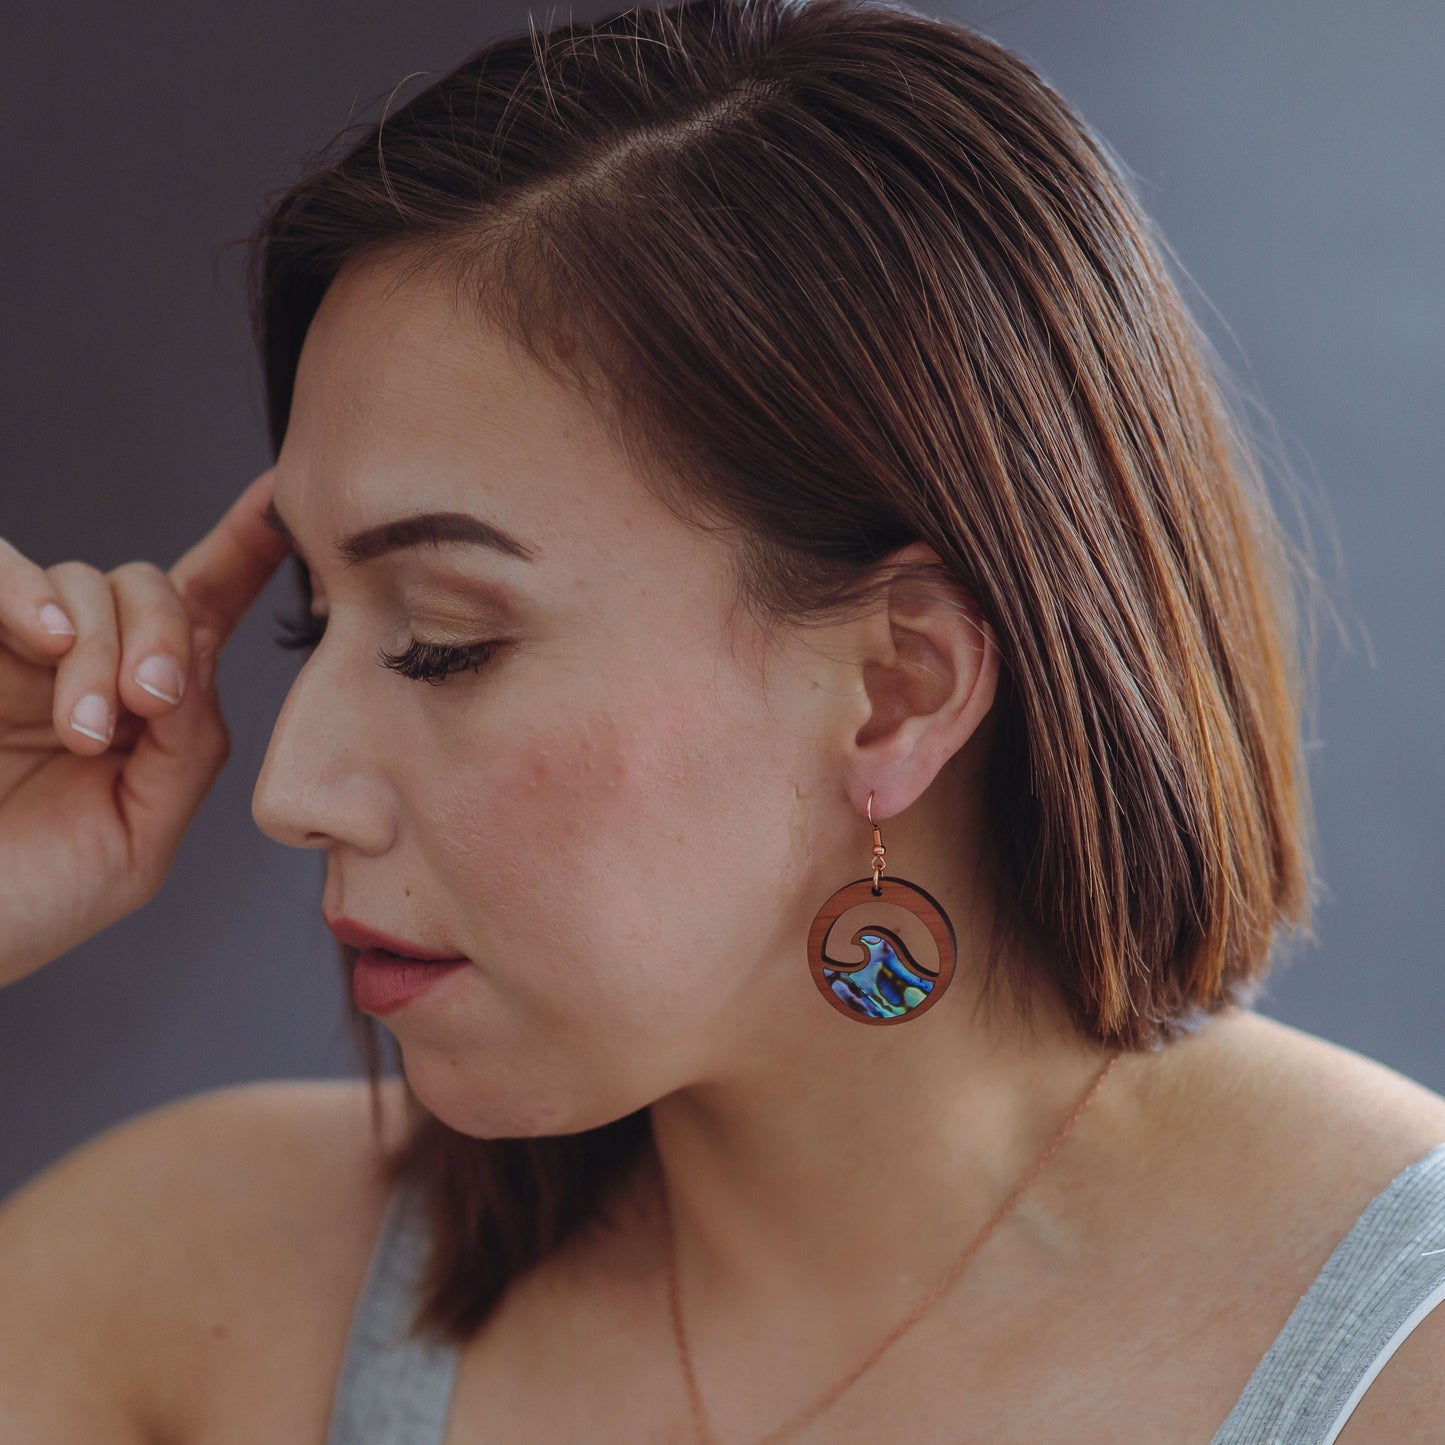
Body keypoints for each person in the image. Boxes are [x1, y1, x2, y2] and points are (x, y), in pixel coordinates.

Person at [1, 0, 1441, 1439]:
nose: (290, 785)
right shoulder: (197, 1290)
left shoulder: (1396, 1369)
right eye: (311, 619)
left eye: (445, 641)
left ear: (897, 688)